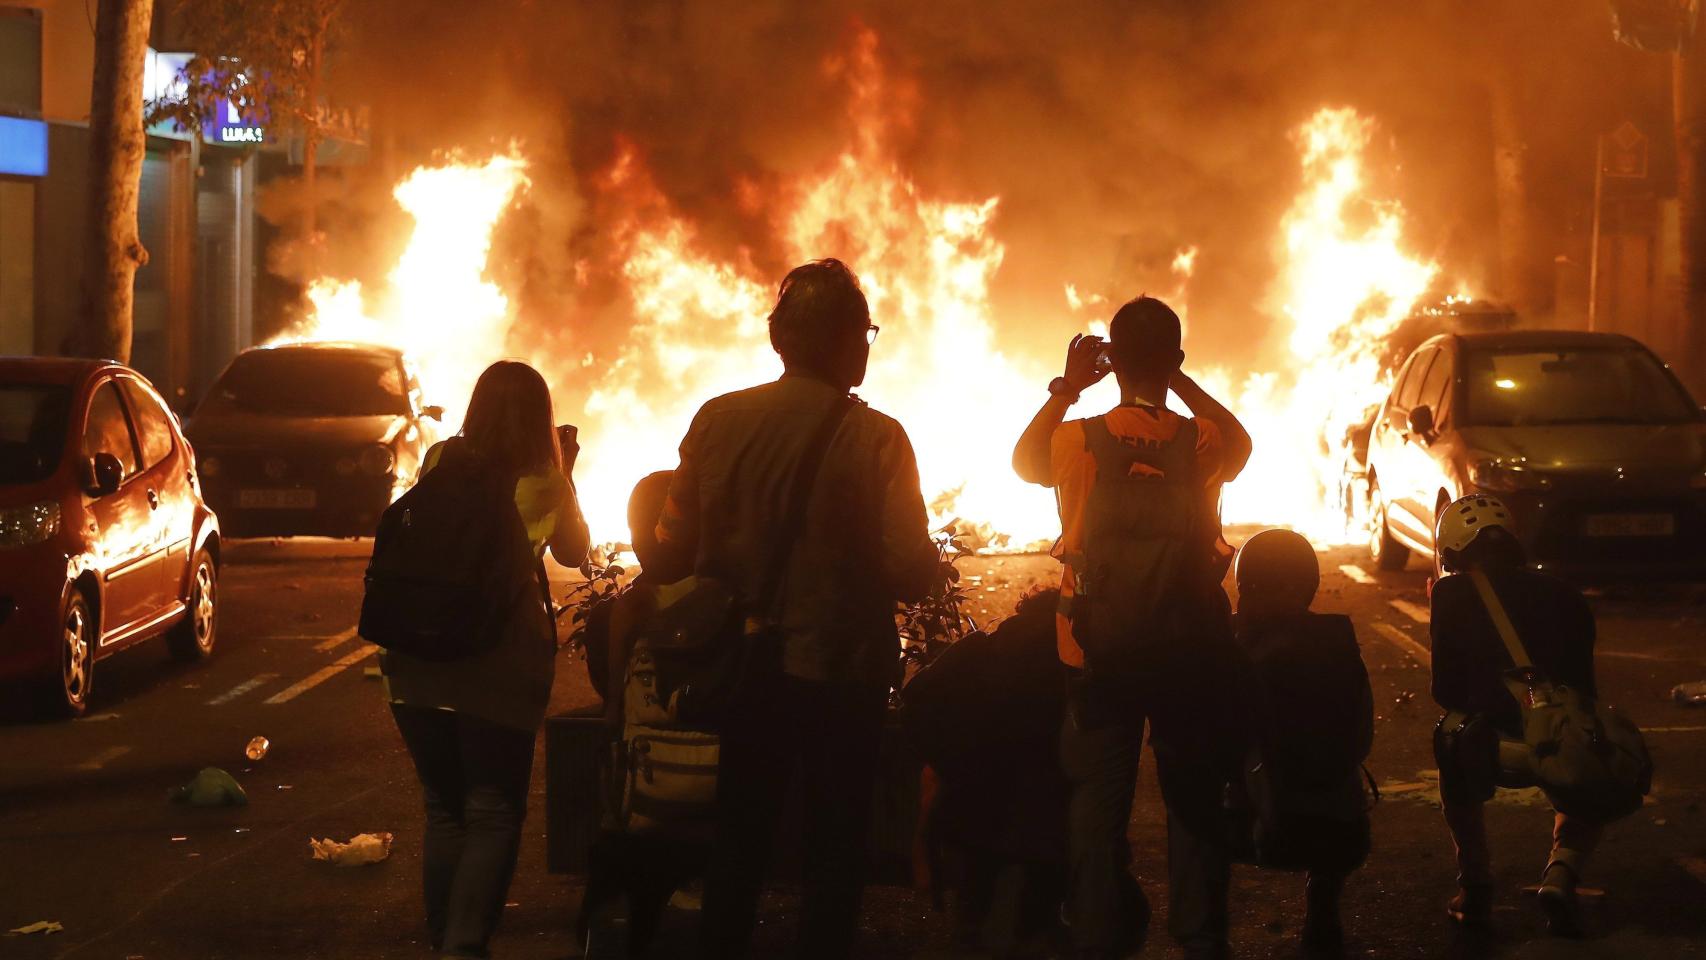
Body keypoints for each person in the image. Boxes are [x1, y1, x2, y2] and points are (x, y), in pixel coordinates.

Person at [653, 258, 941, 959]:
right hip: (842, 669)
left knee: (740, 836)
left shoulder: (717, 420)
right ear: (846, 341)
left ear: (781, 338)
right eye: (865, 333)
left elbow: (668, 545)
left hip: (744, 667)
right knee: (835, 846)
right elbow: (907, 564)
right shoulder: (878, 438)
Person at [1012, 296, 1253, 960]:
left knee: (1097, 805)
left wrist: (1067, 388)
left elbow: (1023, 462)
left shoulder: (1075, 439)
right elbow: (1242, 440)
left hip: (1095, 647)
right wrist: (1176, 377)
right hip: (1186, 647)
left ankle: (1097, 935)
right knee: (1194, 799)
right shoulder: (1200, 441)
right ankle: (1200, 939)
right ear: (1174, 358)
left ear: (1113, 360)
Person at [382, 360, 590, 959]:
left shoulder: (440, 458)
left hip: (417, 655)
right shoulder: (544, 478)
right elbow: (574, 552)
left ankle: (443, 937)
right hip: (499, 661)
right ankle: (464, 945)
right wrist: (566, 471)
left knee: (444, 811)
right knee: (493, 809)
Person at [1430, 494, 1602, 937]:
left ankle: (1474, 885)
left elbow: (1445, 690)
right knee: (1592, 756)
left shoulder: (1450, 594)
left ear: (1451, 550)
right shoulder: (1564, 592)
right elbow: (1585, 686)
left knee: (1450, 732)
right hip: (1561, 742)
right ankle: (1562, 873)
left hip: (1491, 745)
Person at [902, 587, 1072, 956]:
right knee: (1036, 904)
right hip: (1038, 805)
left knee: (976, 896)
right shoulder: (1063, 661)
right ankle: (1030, 934)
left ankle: (972, 935)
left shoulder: (982, 647)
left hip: (972, 796)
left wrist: (947, 759)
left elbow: (916, 698)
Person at [1230, 529, 1373, 960]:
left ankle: (1205, 925)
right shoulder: (1338, 644)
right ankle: (1323, 900)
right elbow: (1361, 737)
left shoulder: (1233, 649)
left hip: (1255, 829)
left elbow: (1215, 740)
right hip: (1341, 833)